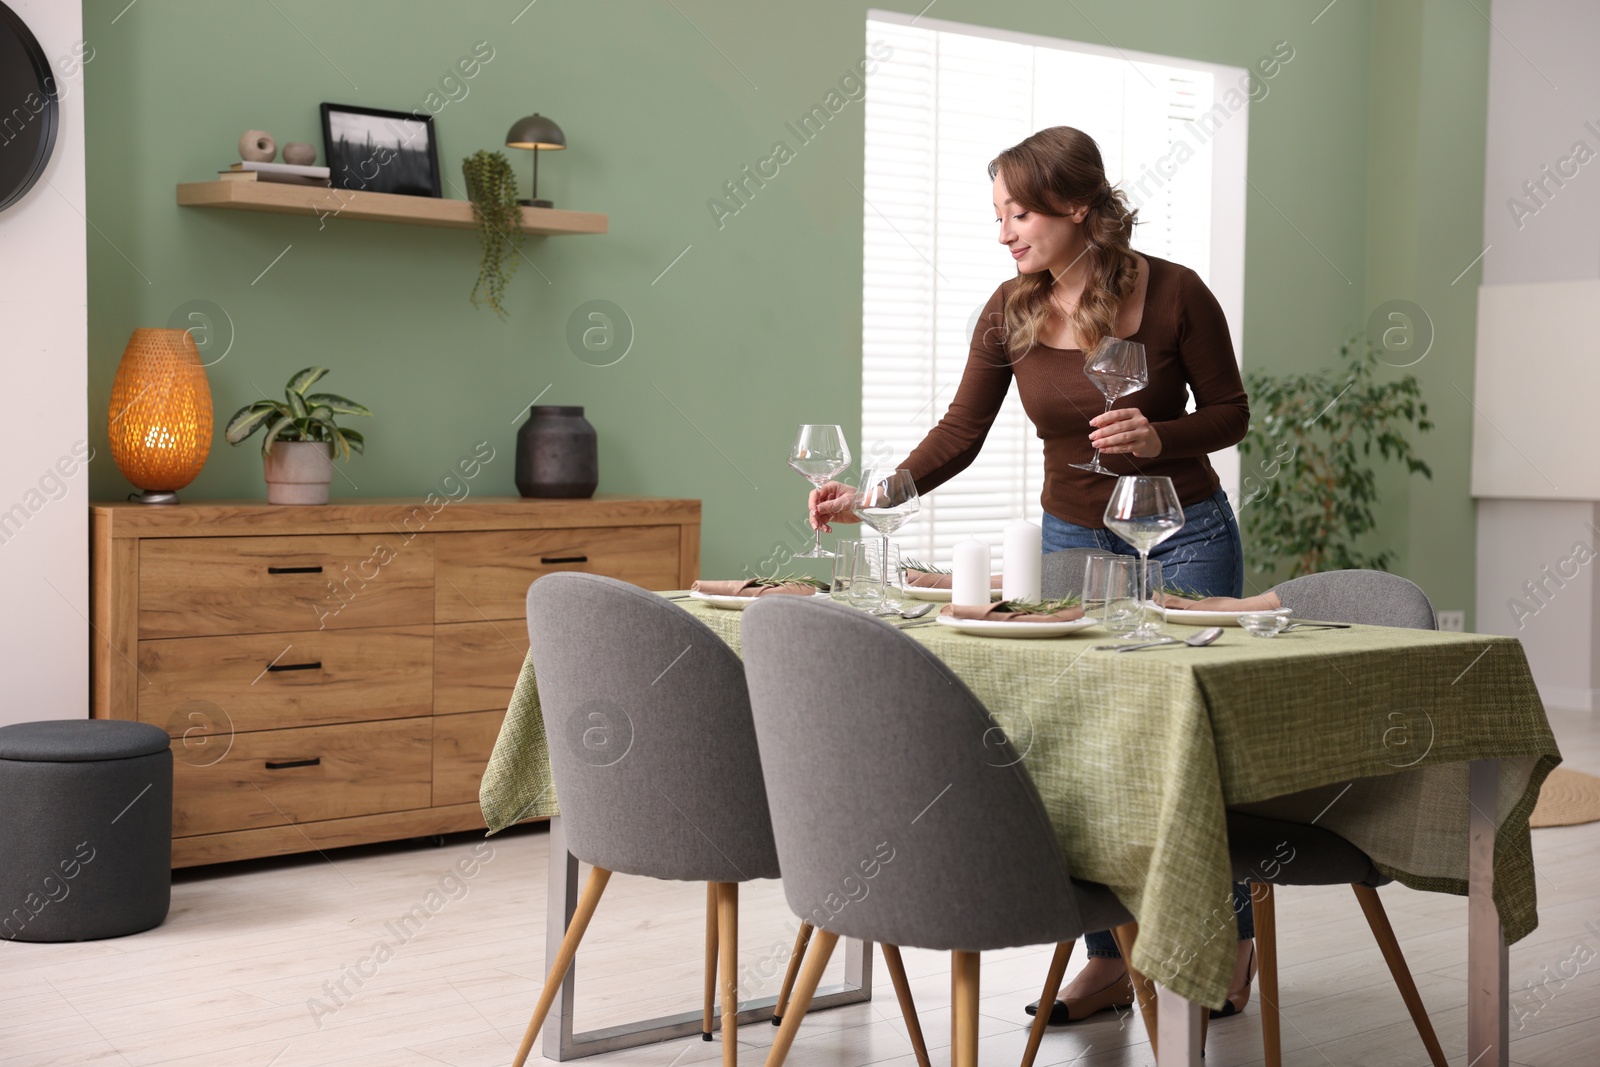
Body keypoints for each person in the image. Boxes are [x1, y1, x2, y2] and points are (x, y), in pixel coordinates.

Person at [808, 125, 1257, 1022]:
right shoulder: (1010, 308)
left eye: (1020, 213)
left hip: (1184, 536)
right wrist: (877, 494)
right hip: (1073, 550)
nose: (1005, 232)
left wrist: (1160, 437)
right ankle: (1108, 955)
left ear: (1078, 209)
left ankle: (1227, 941)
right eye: (1000, 214)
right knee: (1081, 746)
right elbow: (961, 431)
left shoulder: (1174, 294)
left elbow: (1233, 412)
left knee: (1192, 748)